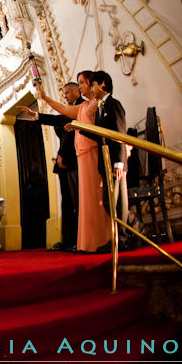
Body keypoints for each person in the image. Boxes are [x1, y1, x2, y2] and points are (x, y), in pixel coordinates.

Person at [35, 71, 111, 253]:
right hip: (81, 155)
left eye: (84, 83)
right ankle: (90, 240)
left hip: (92, 153)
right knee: (86, 200)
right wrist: (44, 97)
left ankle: (103, 237)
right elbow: (62, 111)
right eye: (81, 83)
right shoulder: (83, 106)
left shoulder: (100, 104)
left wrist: (77, 127)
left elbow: (102, 129)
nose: (82, 86)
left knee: (94, 197)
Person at [17, 82, 83, 251]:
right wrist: (35, 114)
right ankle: (68, 241)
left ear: (76, 91)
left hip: (74, 162)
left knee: (77, 203)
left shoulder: (81, 108)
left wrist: (64, 156)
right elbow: (55, 119)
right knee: (67, 204)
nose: (65, 96)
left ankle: (79, 240)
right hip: (64, 165)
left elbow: (72, 136)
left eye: (67, 92)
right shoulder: (68, 111)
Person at [81, 70, 132, 251]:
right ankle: (126, 235)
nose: (91, 89)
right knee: (114, 202)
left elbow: (119, 133)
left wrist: (119, 162)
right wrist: (78, 128)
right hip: (107, 161)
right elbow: (100, 134)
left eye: (92, 85)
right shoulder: (102, 108)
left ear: (102, 84)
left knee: (113, 201)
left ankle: (122, 239)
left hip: (115, 161)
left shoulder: (113, 104)